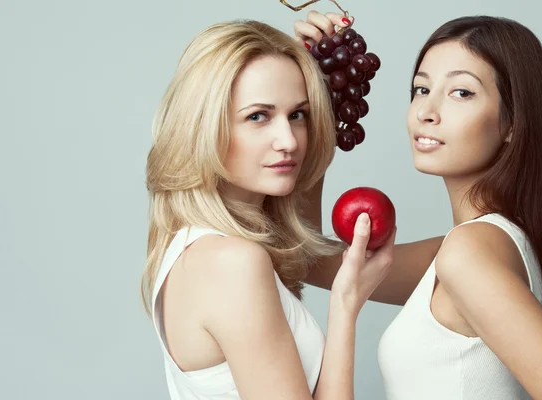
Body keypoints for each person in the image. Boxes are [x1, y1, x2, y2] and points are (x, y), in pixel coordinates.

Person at [294, 11, 542, 399]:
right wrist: (319, 106)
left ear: (512, 124)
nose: (426, 112)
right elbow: (305, 259)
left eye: (461, 92)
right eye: (421, 89)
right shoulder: (470, 249)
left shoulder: (470, 254)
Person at [141, 19, 395, 400]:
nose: (288, 140)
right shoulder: (233, 263)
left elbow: (299, 235)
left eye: (298, 115)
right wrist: (345, 304)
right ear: (204, 126)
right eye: (257, 116)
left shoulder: (194, 249)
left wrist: (314, 70)